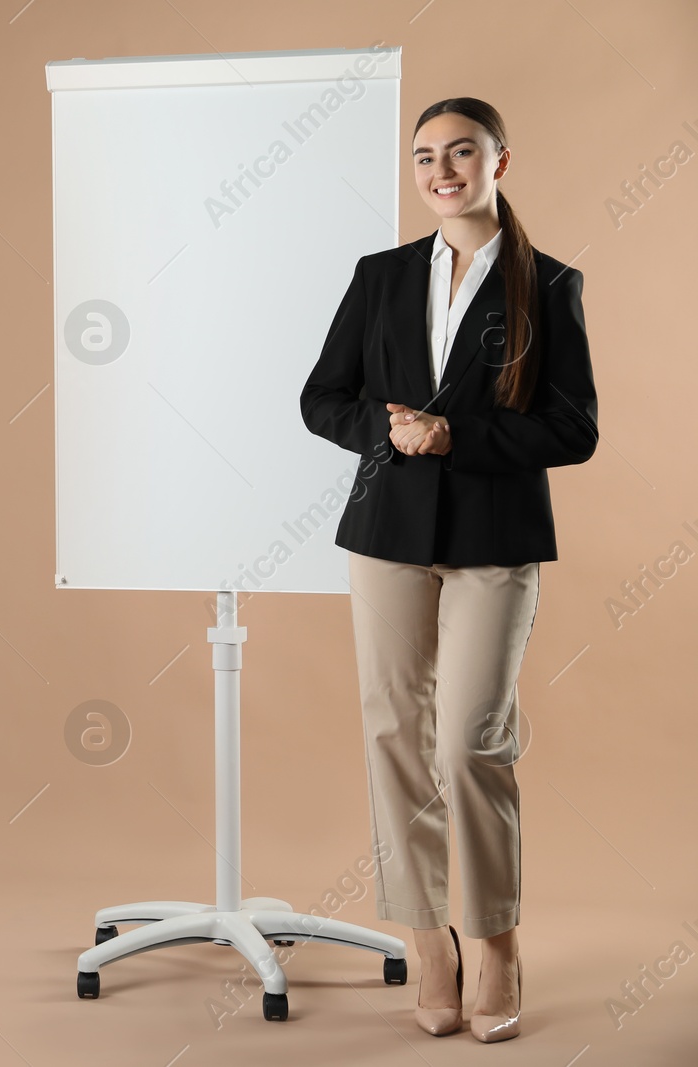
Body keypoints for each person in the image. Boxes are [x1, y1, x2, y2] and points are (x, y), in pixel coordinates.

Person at [298, 97, 599, 1043]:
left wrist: (454, 434)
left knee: (471, 738)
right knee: (393, 728)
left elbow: (574, 428)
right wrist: (387, 432)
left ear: (499, 160)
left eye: (460, 152)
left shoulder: (546, 284)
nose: (441, 170)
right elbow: (322, 397)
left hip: (494, 538)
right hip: (386, 532)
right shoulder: (380, 276)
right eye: (425, 155)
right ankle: (430, 938)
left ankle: (496, 937)